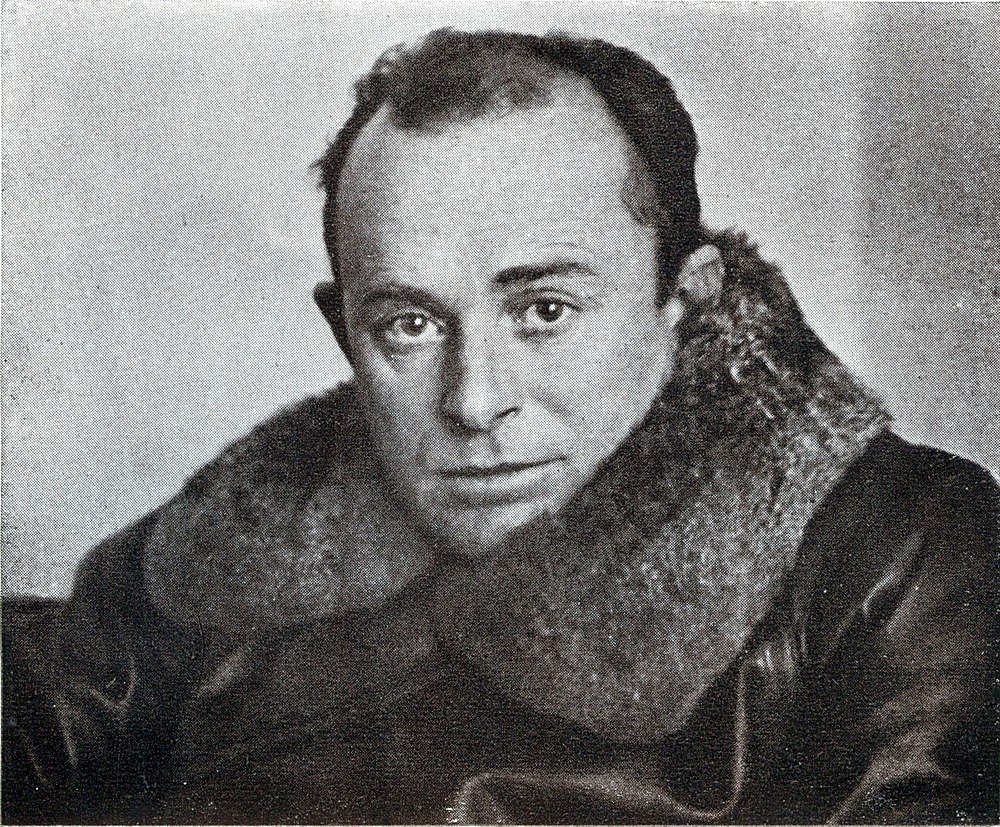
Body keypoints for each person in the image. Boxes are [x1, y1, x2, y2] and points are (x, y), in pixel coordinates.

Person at [3, 28, 996, 825]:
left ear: (685, 302)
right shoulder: (236, 536)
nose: (473, 401)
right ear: (344, 329)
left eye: (545, 311)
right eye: (409, 324)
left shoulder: (898, 553)